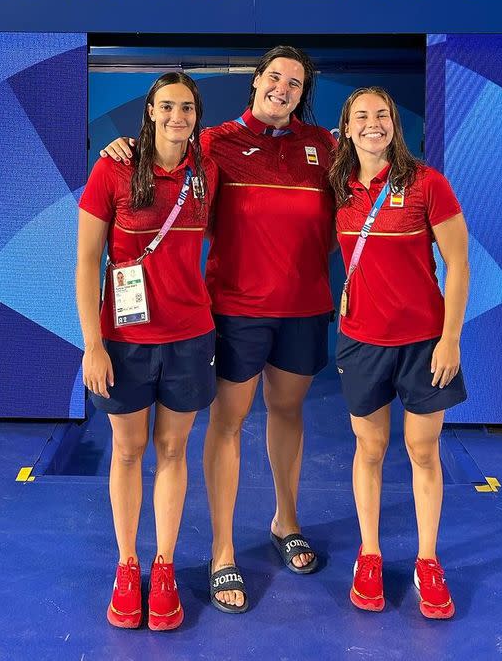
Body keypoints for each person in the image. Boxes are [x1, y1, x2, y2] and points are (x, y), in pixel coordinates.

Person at [100, 47, 336, 613]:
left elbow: (348, 214)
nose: (283, 87)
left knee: (288, 413)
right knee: (227, 426)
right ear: (256, 82)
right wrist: (125, 148)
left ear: (304, 92)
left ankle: (286, 521)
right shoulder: (215, 142)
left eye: (295, 82)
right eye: (274, 76)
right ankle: (224, 552)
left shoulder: (325, 147)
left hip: (303, 309)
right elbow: (163, 154)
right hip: (234, 310)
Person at [77, 72, 218, 631]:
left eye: (186, 107)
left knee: (174, 450)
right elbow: (88, 261)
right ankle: (126, 562)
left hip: (189, 336)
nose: (176, 116)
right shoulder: (113, 167)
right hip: (126, 340)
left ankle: (163, 566)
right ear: (150, 111)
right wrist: (93, 344)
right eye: (167, 106)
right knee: (129, 450)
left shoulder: (206, 171)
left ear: (196, 116)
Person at [329, 87, 469, 620]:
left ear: (395, 124)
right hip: (362, 342)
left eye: (382, 114)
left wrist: (450, 339)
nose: (372, 123)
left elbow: (458, 264)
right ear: (346, 127)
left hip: (423, 345)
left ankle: (427, 560)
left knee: (423, 450)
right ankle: (369, 553)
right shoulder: (338, 185)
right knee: (369, 448)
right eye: (361, 116)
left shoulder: (427, 184)